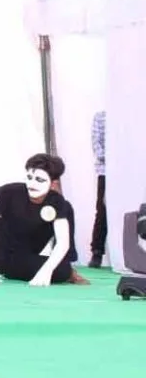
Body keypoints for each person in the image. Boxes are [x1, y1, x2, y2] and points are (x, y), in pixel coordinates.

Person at [0, 153, 88, 286]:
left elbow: (63, 242)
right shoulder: (7, 193)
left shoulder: (56, 201)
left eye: (40, 180)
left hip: (28, 253)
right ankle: (66, 270)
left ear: (53, 184)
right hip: (3, 256)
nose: (32, 184)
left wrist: (46, 271)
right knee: (63, 271)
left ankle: (66, 263)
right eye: (29, 177)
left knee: (66, 208)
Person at [89, 110, 106, 268]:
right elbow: (97, 145)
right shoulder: (101, 116)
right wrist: (114, 157)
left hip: (130, 172)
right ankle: (97, 252)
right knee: (102, 210)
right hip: (106, 171)